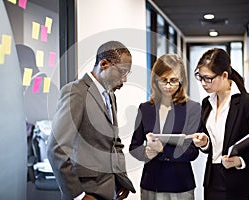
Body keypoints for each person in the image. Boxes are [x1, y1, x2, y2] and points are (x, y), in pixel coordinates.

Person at [47, 41, 136, 200]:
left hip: (110, 189)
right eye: (122, 72)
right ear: (104, 64)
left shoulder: (110, 95)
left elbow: (114, 143)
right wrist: (78, 195)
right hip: (87, 192)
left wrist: (122, 179)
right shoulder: (76, 92)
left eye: (127, 73)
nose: (124, 80)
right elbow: (57, 149)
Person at [191, 48, 249, 200]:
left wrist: (240, 161)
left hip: (238, 181)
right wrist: (204, 143)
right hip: (212, 179)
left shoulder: (247, 103)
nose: (203, 83)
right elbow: (211, 145)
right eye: (200, 77)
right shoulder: (207, 104)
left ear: (224, 75)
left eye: (208, 78)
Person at [129, 54, 201, 200]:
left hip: (180, 185)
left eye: (173, 80)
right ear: (155, 79)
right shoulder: (145, 109)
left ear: (181, 80)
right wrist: (146, 153)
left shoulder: (192, 108)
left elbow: (192, 152)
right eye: (163, 80)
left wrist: (162, 151)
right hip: (151, 184)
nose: (168, 86)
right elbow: (134, 146)